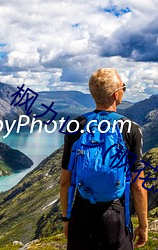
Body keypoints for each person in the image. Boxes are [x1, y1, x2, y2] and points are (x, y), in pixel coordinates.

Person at [60, 68, 148, 250]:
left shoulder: (76, 125)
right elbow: (138, 185)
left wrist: (66, 218)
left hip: (82, 213)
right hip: (115, 215)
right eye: (124, 87)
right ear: (116, 94)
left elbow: (65, 181)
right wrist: (143, 226)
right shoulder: (131, 129)